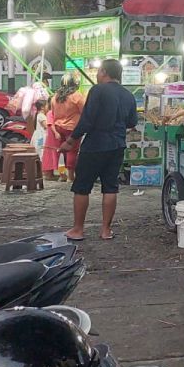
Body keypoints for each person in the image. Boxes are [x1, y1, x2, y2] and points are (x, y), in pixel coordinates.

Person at [60, 60, 138, 241]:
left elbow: (87, 120)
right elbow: (132, 122)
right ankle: (106, 230)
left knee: (82, 187)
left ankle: (78, 229)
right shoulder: (128, 94)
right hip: (117, 145)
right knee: (110, 187)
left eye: (98, 71)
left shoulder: (98, 90)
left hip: (95, 145)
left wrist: (71, 140)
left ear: (104, 72)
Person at [46, 74, 86, 181]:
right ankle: (70, 177)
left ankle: (62, 175)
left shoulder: (55, 96)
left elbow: (53, 113)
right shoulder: (76, 96)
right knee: (72, 151)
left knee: (63, 151)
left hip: (58, 127)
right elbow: (85, 111)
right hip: (72, 128)